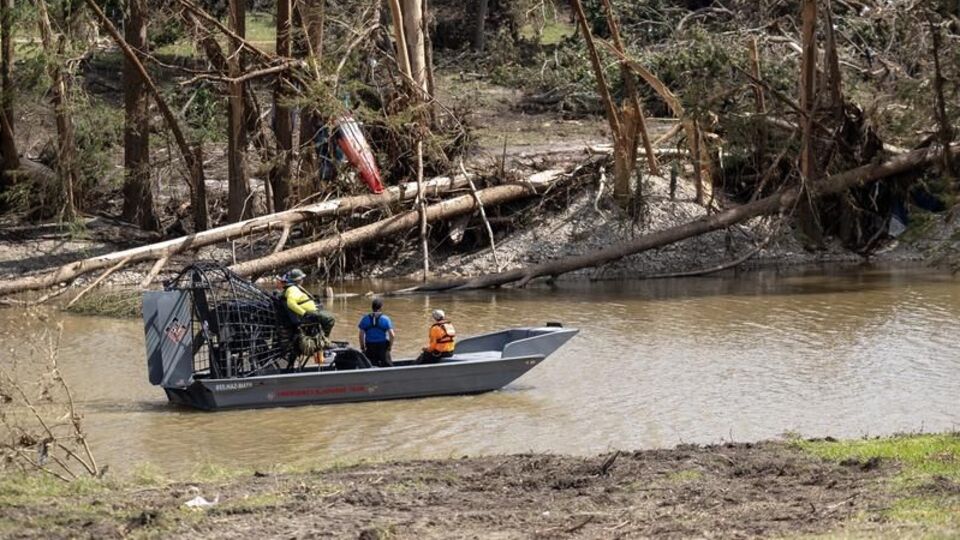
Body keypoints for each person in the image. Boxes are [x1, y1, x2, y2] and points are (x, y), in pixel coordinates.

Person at [282, 268, 335, 339]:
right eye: (302, 278)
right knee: (330, 319)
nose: (302, 280)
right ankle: (323, 340)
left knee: (324, 315)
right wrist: (304, 313)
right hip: (307, 314)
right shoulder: (293, 289)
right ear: (298, 280)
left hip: (310, 312)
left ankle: (319, 338)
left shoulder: (294, 288)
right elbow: (291, 303)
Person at [358, 297, 395, 367]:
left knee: (370, 366)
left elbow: (361, 335)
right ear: (381, 308)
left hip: (370, 346)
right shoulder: (385, 319)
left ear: (372, 308)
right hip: (382, 347)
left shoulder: (365, 319)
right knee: (388, 366)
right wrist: (390, 346)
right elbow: (392, 335)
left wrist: (362, 348)